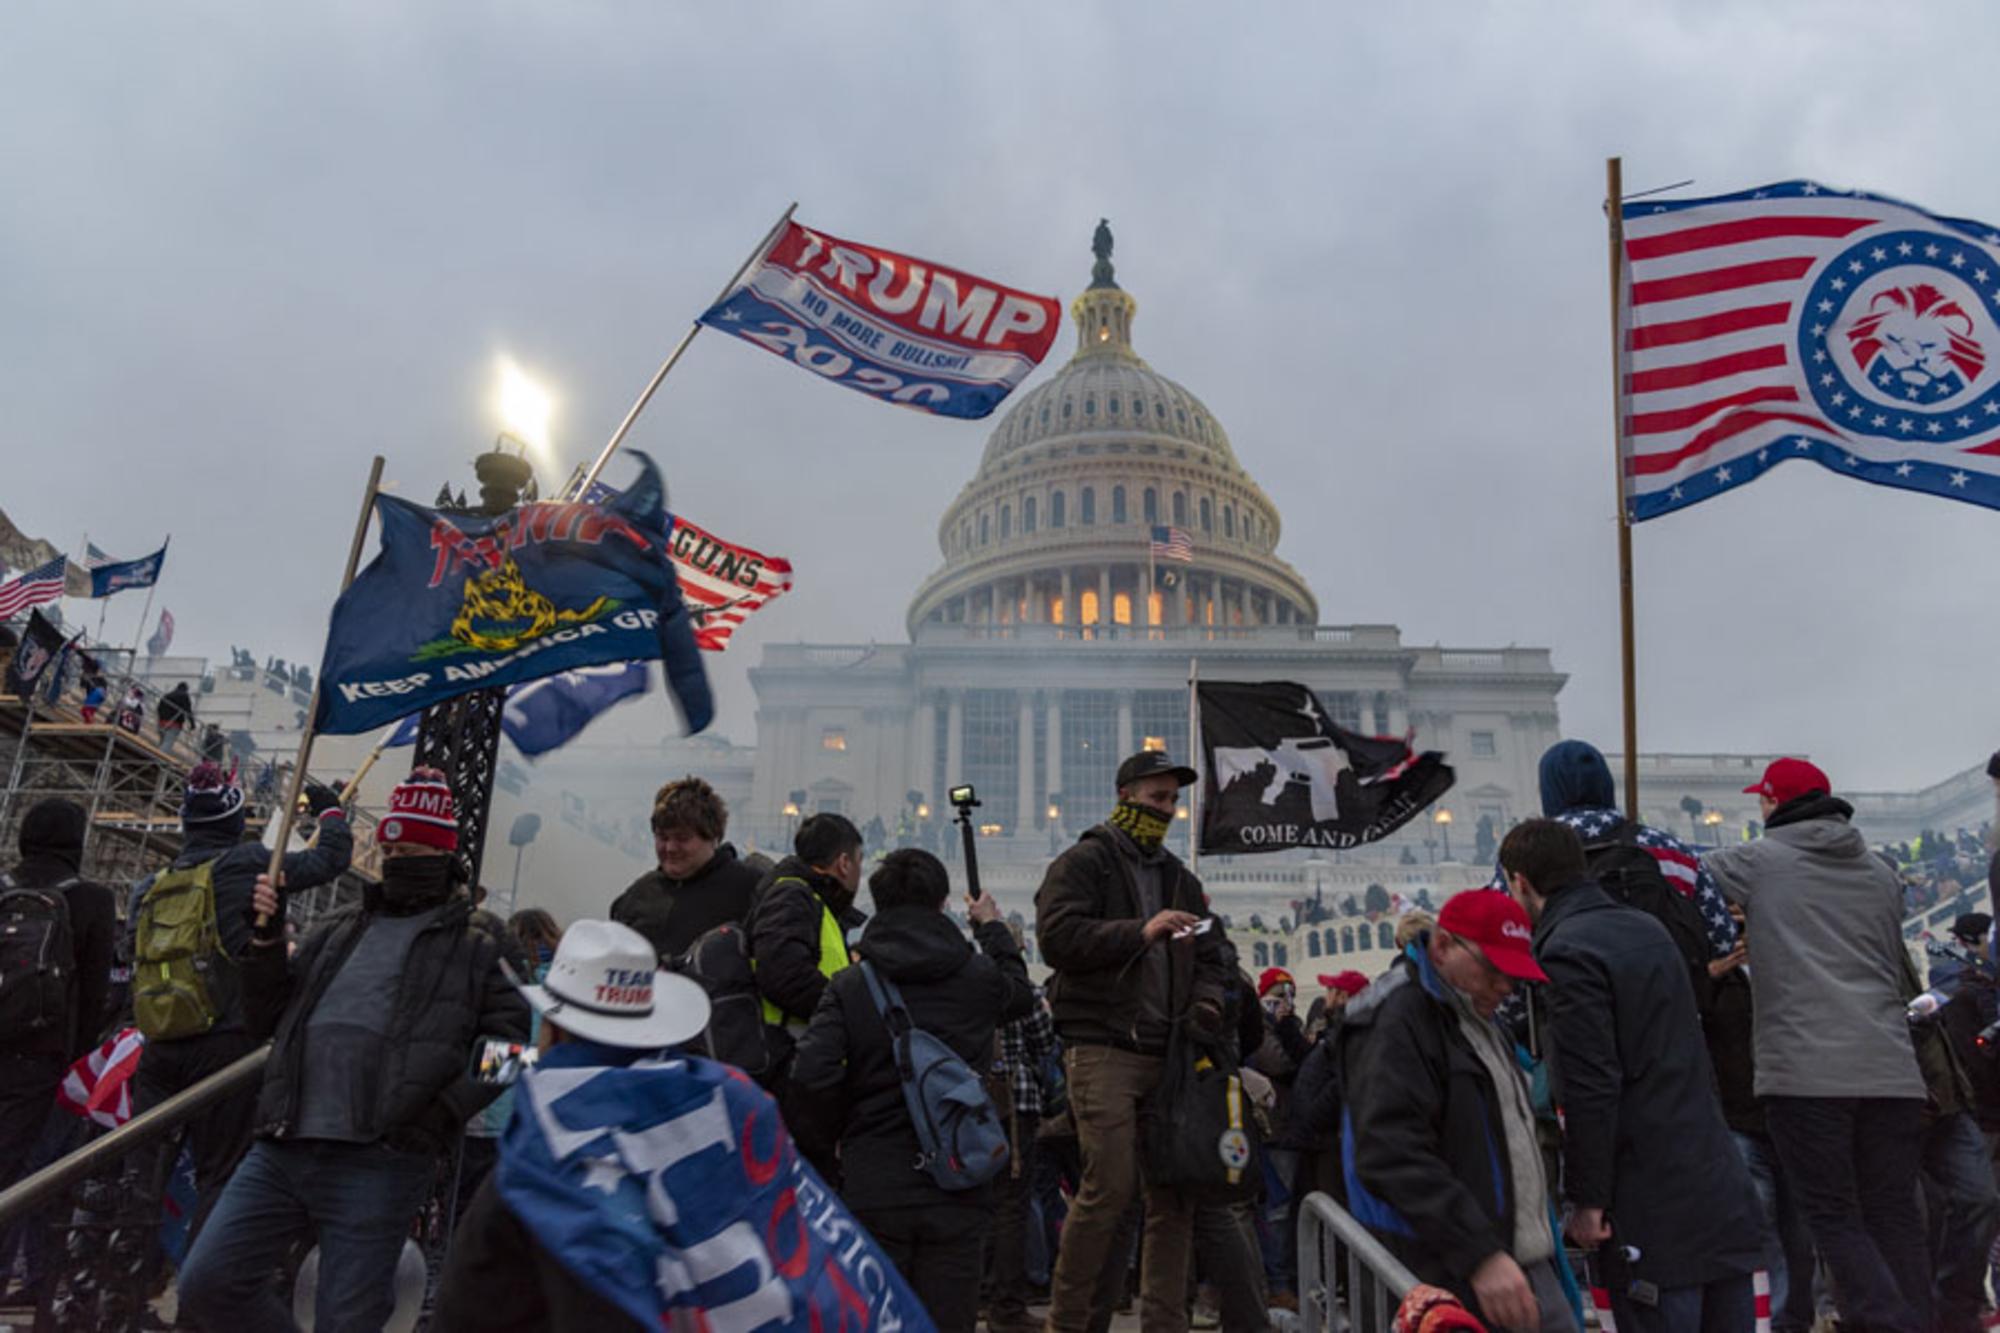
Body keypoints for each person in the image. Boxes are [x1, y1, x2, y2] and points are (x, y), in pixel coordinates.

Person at [176, 767, 529, 1333]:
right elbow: (268, 1018)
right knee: (209, 1283)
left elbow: (515, 1053)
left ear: (442, 852)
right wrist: (263, 944)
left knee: (349, 1318)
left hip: (381, 1157)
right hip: (284, 1142)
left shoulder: (483, 939)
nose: (397, 858)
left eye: (412, 847)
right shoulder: (339, 927)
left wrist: (439, 1115)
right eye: (392, 846)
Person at [1500, 818, 1763, 1332]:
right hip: (1712, 1178)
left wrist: (1587, 1197)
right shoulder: (1650, 928)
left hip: (1649, 1198)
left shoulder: (1565, 951)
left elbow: (1591, 1084)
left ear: (1520, 882)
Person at [1706, 757, 1931, 1333]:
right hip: (1890, 1069)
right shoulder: (1882, 872)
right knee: (1894, 1215)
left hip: (1807, 1072)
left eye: (1762, 800)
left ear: (1775, 803)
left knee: (1832, 1214)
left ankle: (1892, 1323)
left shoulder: (1753, 862)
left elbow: (1687, 881)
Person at [790, 848, 1035, 1331]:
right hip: (958, 1180)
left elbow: (810, 1076)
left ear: (877, 903)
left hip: (874, 1178)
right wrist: (991, 926)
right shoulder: (978, 979)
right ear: (942, 902)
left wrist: (838, 1142)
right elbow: (1020, 993)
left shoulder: (850, 986)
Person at [1034, 748, 1231, 1333]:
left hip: (1168, 1055)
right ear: (1125, 796)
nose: (1166, 809)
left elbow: (1214, 957)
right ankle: (1069, 1322)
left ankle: (1163, 1323)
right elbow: (1057, 938)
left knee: (1172, 1196)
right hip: (1104, 1047)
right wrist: (1137, 932)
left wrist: (1207, 1002)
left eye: (1172, 800)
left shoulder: (1180, 879)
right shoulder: (1084, 863)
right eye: (1156, 798)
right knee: (1110, 1185)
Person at [122, 762, 352, 1244]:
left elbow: (129, 953)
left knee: (140, 1181)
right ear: (233, 821)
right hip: (226, 1048)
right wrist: (330, 811)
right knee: (219, 1176)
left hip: (159, 1046)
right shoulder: (247, 865)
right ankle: (200, 1308)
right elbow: (330, 860)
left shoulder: (152, 885)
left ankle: (113, 1292)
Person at [1338, 889, 1576, 1331]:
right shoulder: (1397, 1017)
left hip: (1515, 1259)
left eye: (1512, 977)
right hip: (1453, 1270)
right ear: (1444, 946)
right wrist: (1479, 1254)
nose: (1504, 988)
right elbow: (1390, 1151)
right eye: (1492, 971)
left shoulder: (1477, 1013)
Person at [0, 800, 115, 1190]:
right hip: (40, 1053)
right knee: (17, 1168)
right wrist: (74, 1056)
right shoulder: (93, 899)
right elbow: (93, 996)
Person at [609, 776, 763, 963]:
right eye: (662, 837)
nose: (670, 848)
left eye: (682, 838)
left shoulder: (751, 890)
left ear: (713, 836)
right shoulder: (637, 896)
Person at [986, 961, 1059, 1333]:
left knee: (974, 1203)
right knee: (1013, 1205)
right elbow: (1046, 1041)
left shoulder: (961, 978)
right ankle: (1008, 1303)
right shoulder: (1021, 988)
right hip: (1017, 1103)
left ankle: (978, 1295)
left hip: (968, 1105)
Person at [156, 680, 193, 750]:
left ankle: (156, 756)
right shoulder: (185, 696)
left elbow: (159, 708)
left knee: (162, 742)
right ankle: (158, 759)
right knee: (167, 743)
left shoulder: (167, 695)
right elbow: (188, 711)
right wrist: (192, 725)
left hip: (162, 721)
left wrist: (160, 717)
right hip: (175, 723)